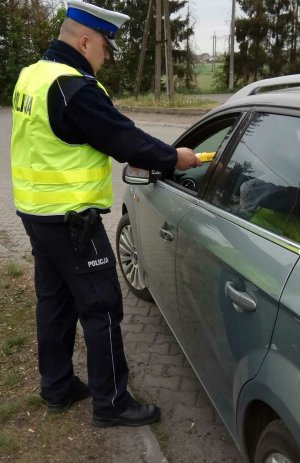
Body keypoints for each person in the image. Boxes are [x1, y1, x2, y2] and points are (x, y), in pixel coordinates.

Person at [10, 0, 200, 428]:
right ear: (84, 41)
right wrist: (174, 157)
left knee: (54, 303)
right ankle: (111, 403)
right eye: (105, 48)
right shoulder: (73, 86)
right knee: (101, 308)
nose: (107, 57)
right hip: (72, 220)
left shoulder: (32, 76)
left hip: (36, 215)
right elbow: (124, 139)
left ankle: (57, 387)